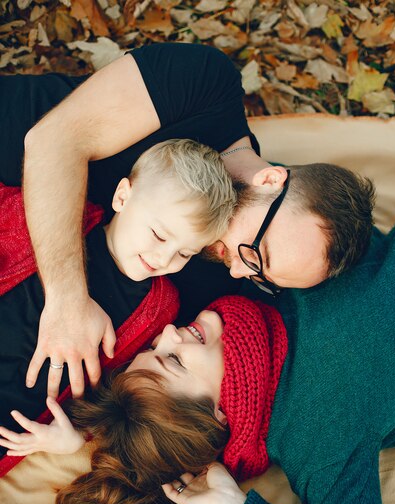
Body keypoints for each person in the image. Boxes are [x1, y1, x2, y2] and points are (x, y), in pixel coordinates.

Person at [2, 187, 395, 504]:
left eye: (157, 347)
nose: (168, 333)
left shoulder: (249, 309)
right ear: (219, 412)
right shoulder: (318, 430)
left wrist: (85, 435)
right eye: (174, 360)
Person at [0, 42, 375, 399]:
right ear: (271, 180)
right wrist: (67, 301)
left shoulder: (211, 270)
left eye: (262, 278)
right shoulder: (207, 85)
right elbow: (53, 141)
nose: (238, 272)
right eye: (259, 255)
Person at [0, 137, 236, 459]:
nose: (165, 259)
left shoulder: (159, 309)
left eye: (184, 252)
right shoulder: (63, 219)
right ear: (123, 197)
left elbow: (124, 392)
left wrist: (74, 438)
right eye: (159, 235)